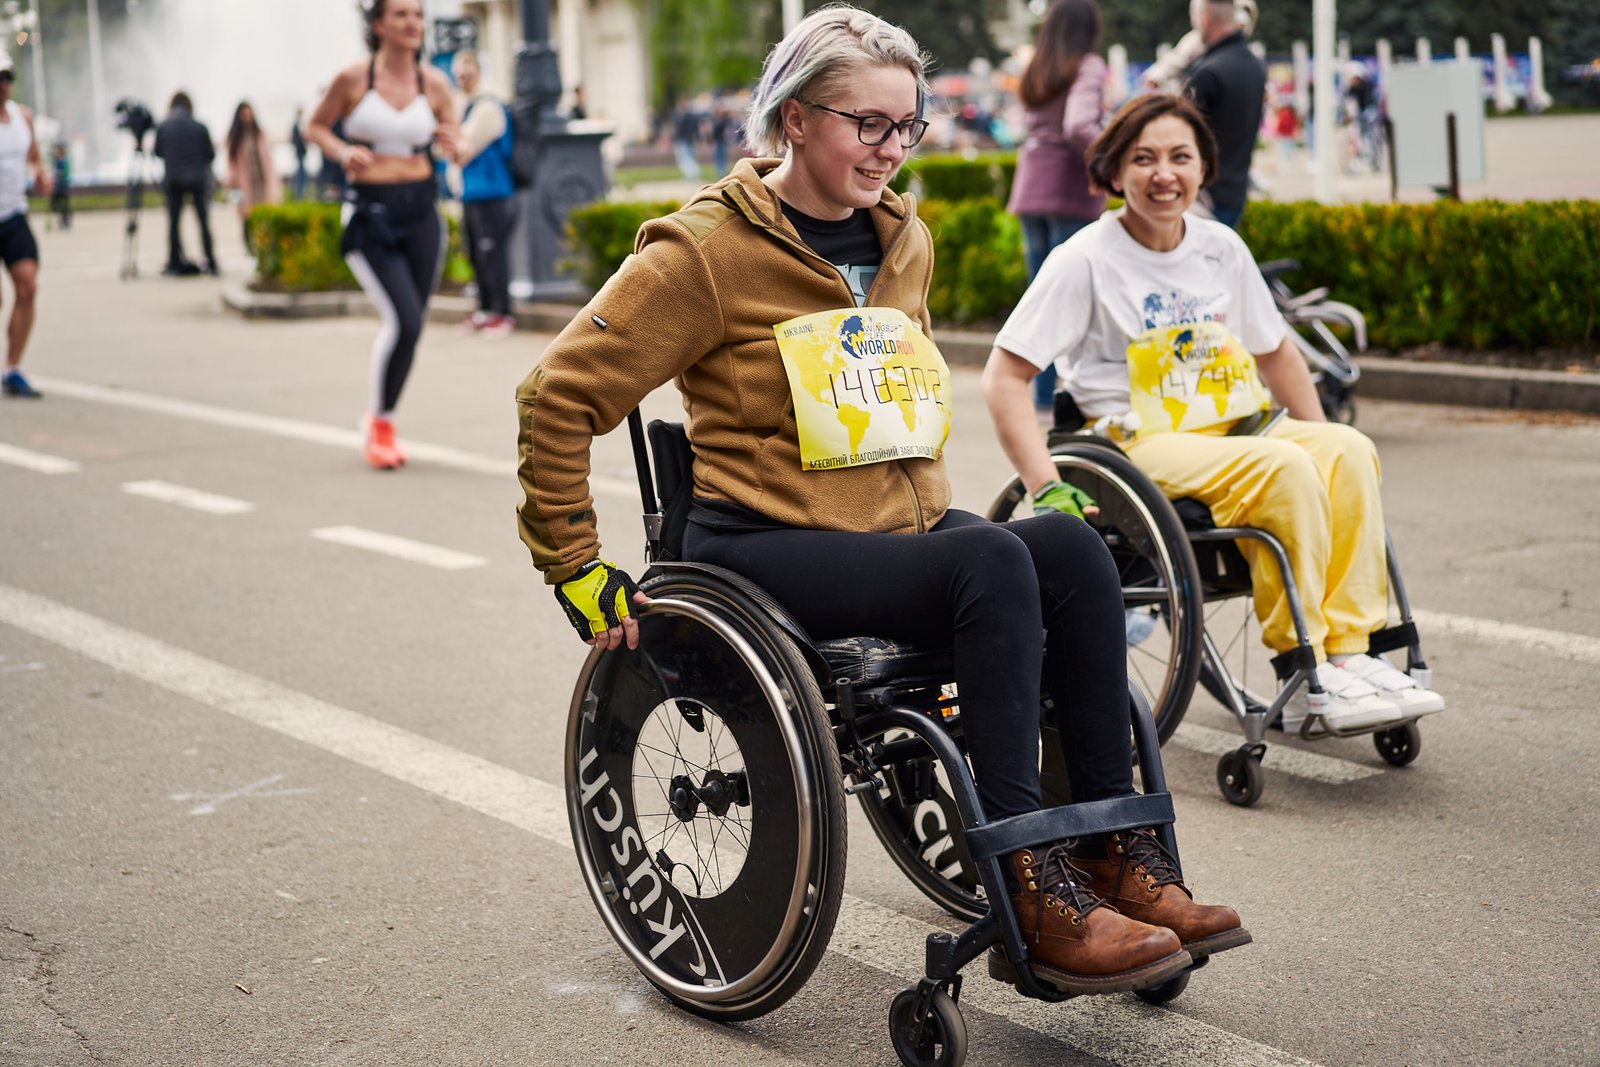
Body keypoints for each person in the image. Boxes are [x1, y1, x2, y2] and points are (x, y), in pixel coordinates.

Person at [516, 6, 1247, 997]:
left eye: (908, 126)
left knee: (1071, 552)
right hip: (763, 541)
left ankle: (1123, 857)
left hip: (892, 532)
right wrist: (574, 564)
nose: (892, 150)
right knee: (989, 559)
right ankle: (1033, 892)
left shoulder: (905, 238)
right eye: (869, 124)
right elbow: (557, 394)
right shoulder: (702, 253)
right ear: (795, 117)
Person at [982, 92, 1447, 734]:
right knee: (1283, 467)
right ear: (1115, 173)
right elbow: (1006, 376)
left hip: (1234, 427)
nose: (1163, 173)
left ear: (1205, 169)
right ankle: (1303, 658)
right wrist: (1044, 484)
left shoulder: (1219, 247)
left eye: (1180, 157)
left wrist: (1320, 433)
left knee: (1346, 449)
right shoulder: (1084, 259)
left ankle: (1349, 651)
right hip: (1137, 440)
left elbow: (1277, 352)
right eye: (1143, 159)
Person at [307, 0, 458, 470]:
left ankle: (384, 420)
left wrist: (457, 143)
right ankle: (380, 423)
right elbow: (313, 125)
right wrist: (341, 148)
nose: (413, 23)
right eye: (401, 14)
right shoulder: (354, 79)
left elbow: (456, 138)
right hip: (370, 216)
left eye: (417, 14)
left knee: (411, 327)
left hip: (422, 213)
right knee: (406, 321)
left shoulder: (433, 83)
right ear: (378, 25)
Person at [1006, 0, 1106, 417]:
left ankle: (1042, 394)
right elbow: (1079, 126)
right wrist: (1111, 155)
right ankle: (1070, 393)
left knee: (1040, 294)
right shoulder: (1088, 65)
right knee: (1072, 294)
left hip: (1033, 182)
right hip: (1069, 186)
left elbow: (1022, 122)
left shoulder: (1037, 65)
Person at [1181, 0, 1265, 228]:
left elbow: (1180, 135)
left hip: (1205, 197)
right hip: (1236, 189)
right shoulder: (1254, 65)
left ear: (1204, 18)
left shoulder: (1209, 72)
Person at [452, 50, 516, 338]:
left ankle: (503, 313)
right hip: (471, 192)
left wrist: (453, 145)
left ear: (477, 72)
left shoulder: (487, 107)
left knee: (493, 253)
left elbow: (461, 148)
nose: (462, 79)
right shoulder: (465, 105)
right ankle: (485, 309)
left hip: (491, 191)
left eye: (467, 73)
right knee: (477, 253)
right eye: (458, 75)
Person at [0, 51, 49, 400]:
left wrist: (40, 177)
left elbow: (34, 159)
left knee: (28, 286)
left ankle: (12, 367)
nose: (3, 84)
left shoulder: (23, 117)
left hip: (14, 214)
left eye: (7, 77)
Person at [152, 90, 217, 276]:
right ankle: (211, 261)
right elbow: (210, 155)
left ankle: (174, 262)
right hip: (197, 179)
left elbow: (157, 152)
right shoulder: (199, 126)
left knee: (173, 223)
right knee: (203, 222)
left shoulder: (164, 127)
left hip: (173, 181)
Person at [224, 101, 282, 254]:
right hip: (241, 186)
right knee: (245, 218)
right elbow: (230, 167)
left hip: (261, 184)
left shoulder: (260, 134)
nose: (247, 117)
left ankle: (264, 251)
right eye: (244, 114)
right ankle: (250, 252)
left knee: (264, 217)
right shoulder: (234, 138)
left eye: (249, 113)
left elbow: (269, 160)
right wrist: (233, 192)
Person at [48, 142, 71, 232]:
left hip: (63, 185)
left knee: (65, 205)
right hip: (56, 186)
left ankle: (66, 222)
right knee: (55, 204)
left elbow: (66, 173)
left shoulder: (65, 160)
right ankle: (60, 220)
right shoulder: (55, 160)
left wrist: (59, 174)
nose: (57, 152)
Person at [290, 107, 310, 200]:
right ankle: (298, 192)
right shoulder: (296, 125)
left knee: (301, 172)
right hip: (299, 152)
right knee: (300, 172)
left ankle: (300, 192)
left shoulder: (300, 125)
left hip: (301, 152)